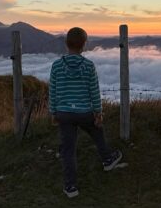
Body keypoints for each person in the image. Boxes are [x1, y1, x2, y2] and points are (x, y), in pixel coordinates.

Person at [49, 27, 122, 198]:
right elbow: (94, 91)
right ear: (84, 45)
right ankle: (107, 160)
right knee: (97, 133)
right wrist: (98, 112)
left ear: (66, 44)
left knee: (68, 150)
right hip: (84, 112)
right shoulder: (89, 66)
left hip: (64, 113)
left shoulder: (57, 66)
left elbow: (52, 90)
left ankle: (70, 187)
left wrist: (53, 112)